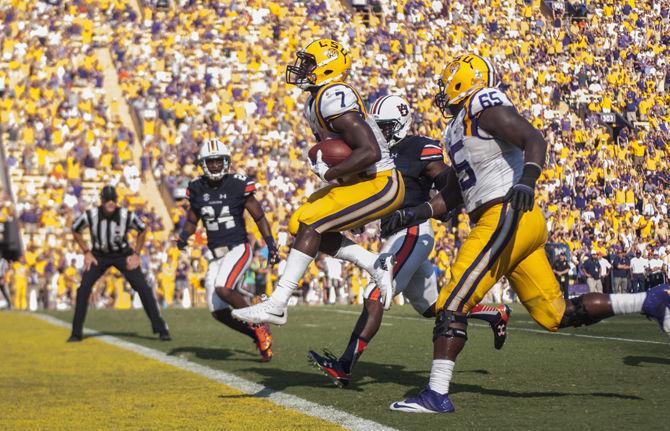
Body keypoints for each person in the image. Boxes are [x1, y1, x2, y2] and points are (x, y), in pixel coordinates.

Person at [382, 54, 670, 413]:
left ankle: (436, 393)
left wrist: (528, 181)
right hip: (513, 221)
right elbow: (455, 191)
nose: (442, 89)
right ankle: (649, 301)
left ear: (462, 80)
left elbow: (533, 137)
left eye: (446, 81)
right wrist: (418, 211)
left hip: (506, 213)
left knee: (452, 302)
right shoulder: (458, 126)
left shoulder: (481, 103)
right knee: (555, 314)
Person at [307, 94, 510, 387]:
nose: (380, 133)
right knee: (433, 307)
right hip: (395, 235)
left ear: (401, 125)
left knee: (376, 292)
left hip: (413, 231)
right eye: (376, 127)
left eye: (385, 127)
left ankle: (345, 364)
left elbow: (448, 182)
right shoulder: (377, 153)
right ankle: (494, 313)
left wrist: (443, 206)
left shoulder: (417, 148)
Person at [232, 39, 405, 325]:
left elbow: (370, 151)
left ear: (327, 67)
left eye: (309, 63)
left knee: (313, 224)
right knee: (297, 223)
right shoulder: (315, 100)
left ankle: (277, 303)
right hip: (360, 183)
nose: (302, 69)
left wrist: (330, 175)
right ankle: (374, 262)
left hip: (381, 182)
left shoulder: (333, 95)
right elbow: (342, 153)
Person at [177, 138, 278, 362]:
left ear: (226, 162)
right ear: (203, 164)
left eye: (218, 161)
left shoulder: (238, 184)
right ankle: (257, 335)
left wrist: (270, 244)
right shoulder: (196, 188)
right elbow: (192, 220)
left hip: (238, 247)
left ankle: (260, 325)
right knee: (218, 311)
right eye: (210, 162)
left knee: (224, 288)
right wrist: (184, 236)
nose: (214, 166)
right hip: (215, 254)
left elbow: (259, 216)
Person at [69, 185, 170, 342]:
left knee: (143, 287)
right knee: (83, 289)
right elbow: (75, 229)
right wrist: (86, 252)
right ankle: (76, 333)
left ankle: (160, 328)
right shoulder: (92, 214)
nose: (110, 203)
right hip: (99, 255)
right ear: (102, 201)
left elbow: (142, 230)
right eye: (107, 200)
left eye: (113, 199)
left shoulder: (125, 215)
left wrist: (136, 254)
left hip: (122, 254)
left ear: (116, 200)